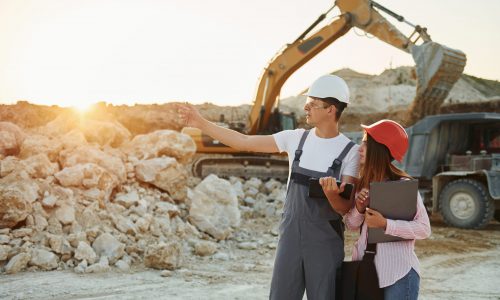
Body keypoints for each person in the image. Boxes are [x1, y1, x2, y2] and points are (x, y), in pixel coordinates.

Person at [178, 74, 359, 300]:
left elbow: (345, 207)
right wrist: (201, 123)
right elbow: (244, 142)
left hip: (325, 241)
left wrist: (332, 195)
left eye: (312, 103)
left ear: (331, 109)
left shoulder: (350, 152)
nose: (306, 107)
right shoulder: (295, 139)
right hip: (291, 235)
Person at [339, 119, 431, 300]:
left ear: (379, 149)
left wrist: (385, 224)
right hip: (366, 272)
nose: (360, 149)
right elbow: (350, 225)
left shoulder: (403, 186)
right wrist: (359, 207)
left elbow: (424, 228)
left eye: (365, 144)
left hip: (399, 275)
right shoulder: (363, 185)